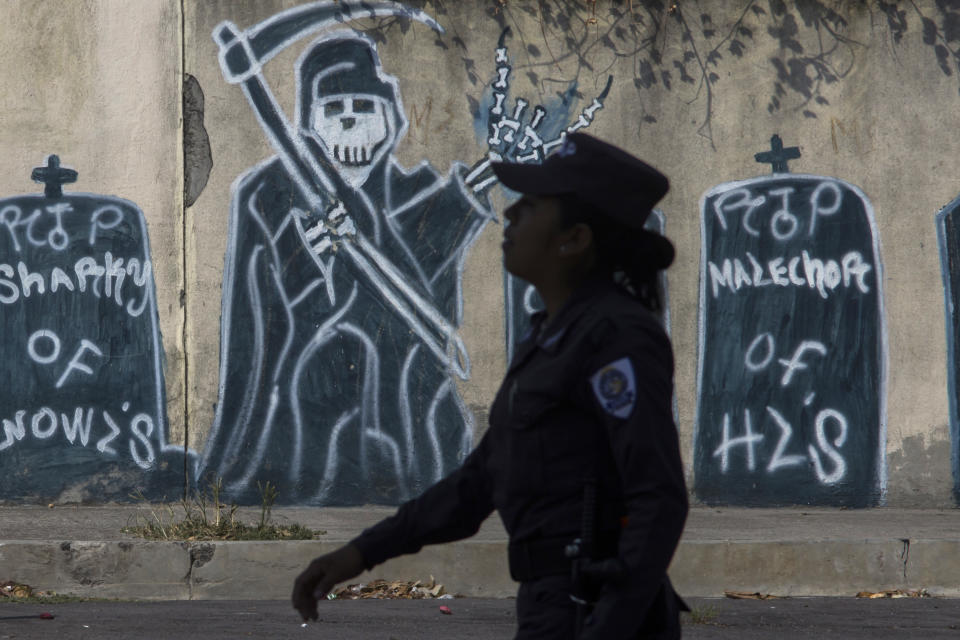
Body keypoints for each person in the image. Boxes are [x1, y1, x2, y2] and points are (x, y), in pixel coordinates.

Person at [291, 132, 689, 639]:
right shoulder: (550, 336)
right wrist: (361, 553)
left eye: (531, 205)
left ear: (574, 239)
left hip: (592, 608)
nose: (510, 215)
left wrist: (609, 624)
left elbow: (659, 496)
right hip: (552, 603)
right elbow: (480, 481)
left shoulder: (617, 338)